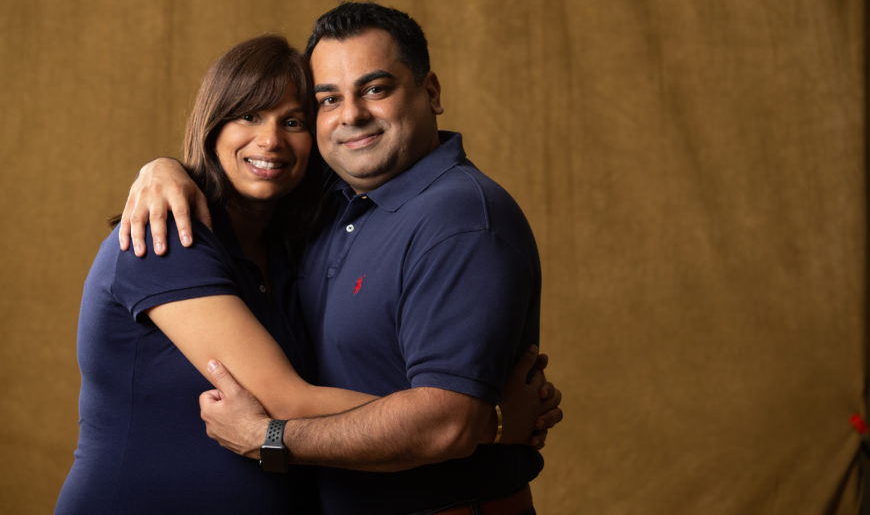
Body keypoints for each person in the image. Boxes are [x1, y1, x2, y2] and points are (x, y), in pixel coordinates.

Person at [56, 34, 556, 515]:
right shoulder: (164, 237)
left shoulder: (297, 246)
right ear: (212, 124)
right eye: (247, 115)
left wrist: (454, 413)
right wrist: (470, 419)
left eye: (293, 121)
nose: (269, 140)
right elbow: (284, 399)